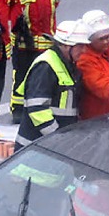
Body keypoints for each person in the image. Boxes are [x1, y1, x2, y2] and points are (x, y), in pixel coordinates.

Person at [14, 19, 90, 150]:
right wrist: (57, 137)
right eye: (80, 46)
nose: (84, 50)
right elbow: (38, 109)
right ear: (66, 45)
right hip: (37, 147)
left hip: (50, 145)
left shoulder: (67, 64)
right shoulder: (46, 66)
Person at [6, 0, 61, 123]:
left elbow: (55, 3)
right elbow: (3, 8)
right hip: (24, 43)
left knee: (43, 78)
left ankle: (40, 109)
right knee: (21, 77)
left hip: (45, 43)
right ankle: (18, 110)